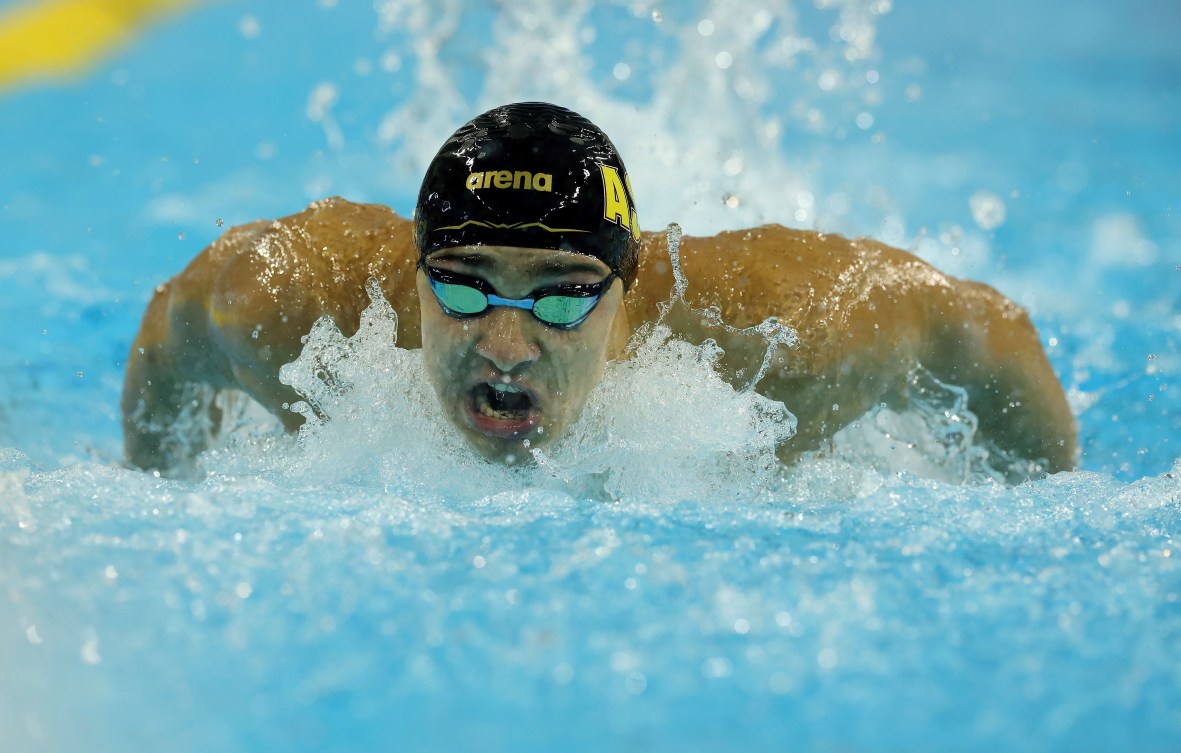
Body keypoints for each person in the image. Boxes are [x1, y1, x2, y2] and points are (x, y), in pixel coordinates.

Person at [122, 102, 1078, 476]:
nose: (503, 341)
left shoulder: (777, 340)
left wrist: (1040, 498)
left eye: (561, 295)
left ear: (626, 287)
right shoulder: (284, 307)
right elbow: (170, 334)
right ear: (412, 272)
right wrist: (162, 479)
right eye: (461, 286)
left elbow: (985, 332)